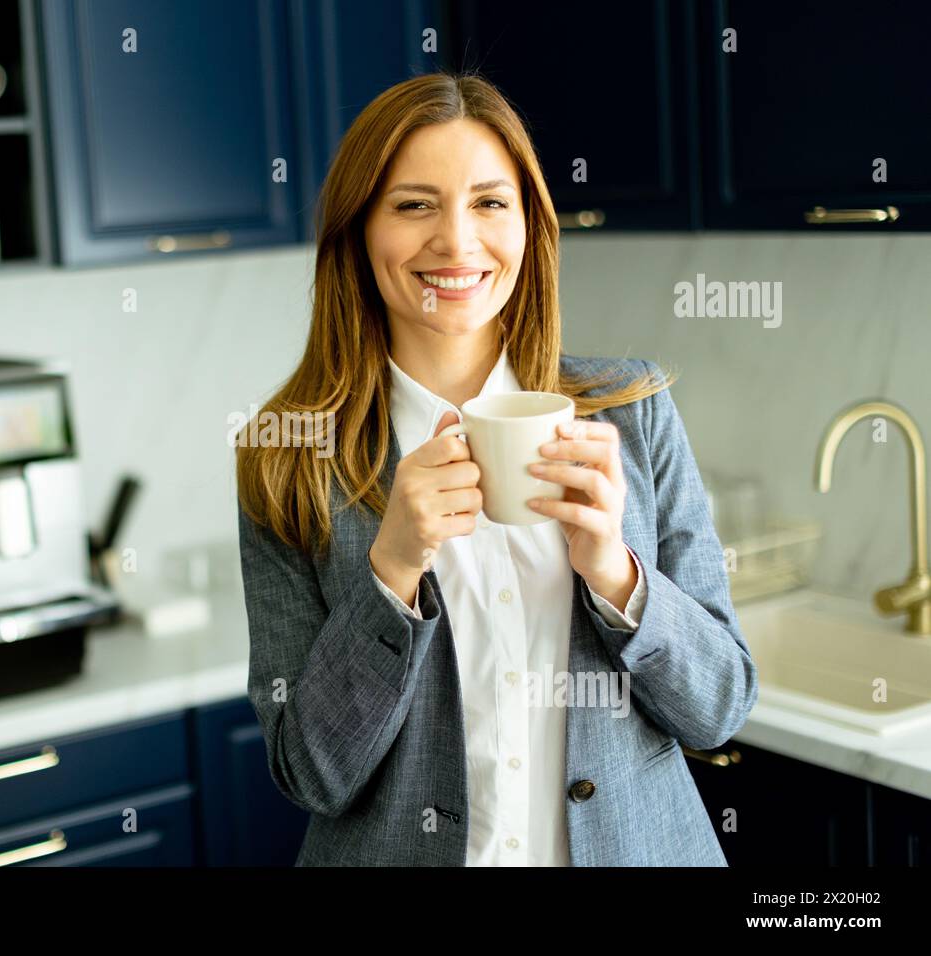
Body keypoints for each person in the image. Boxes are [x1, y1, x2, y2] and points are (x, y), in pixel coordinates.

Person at [233, 72, 757, 866]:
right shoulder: (287, 459)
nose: (456, 241)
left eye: (488, 202)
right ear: (360, 229)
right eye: (413, 205)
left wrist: (618, 576)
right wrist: (391, 572)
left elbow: (719, 707)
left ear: (528, 224)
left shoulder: (631, 411)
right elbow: (309, 774)